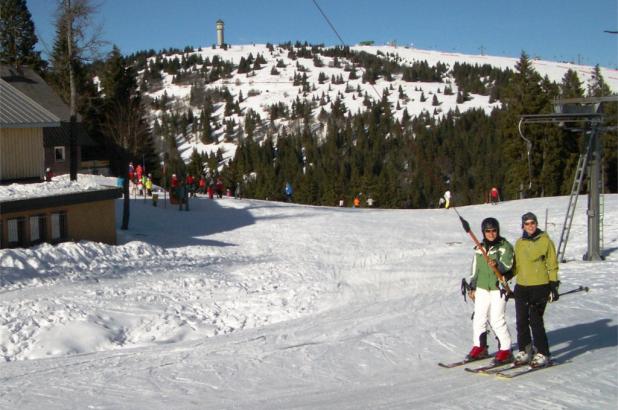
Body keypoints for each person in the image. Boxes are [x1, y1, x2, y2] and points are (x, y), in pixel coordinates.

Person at [512, 212, 559, 368]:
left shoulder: (546, 241)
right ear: (523, 226)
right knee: (521, 321)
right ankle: (525, 350)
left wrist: (553, 285)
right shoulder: (519, 243)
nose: (530, 226)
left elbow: (552, 264)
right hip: (522, 286)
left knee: (535, 321)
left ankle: (543, 353)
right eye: (527, 223)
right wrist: (505, 274)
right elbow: (517, 265)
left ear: (536, 224)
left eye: (533, 223)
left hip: (539, 286)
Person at [466, 217, 514, 364]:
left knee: (496, 319)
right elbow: (475, 268)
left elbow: (508, 264)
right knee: (479, 318)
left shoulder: (504, 246)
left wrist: (497, 264)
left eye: (494, 231)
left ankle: (505, 349)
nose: (491, 234)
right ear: (483, 232)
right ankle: (479, 347)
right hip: (482, 287)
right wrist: (472, 285)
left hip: (497, 287)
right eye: (488, 231)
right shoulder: (480, 248)